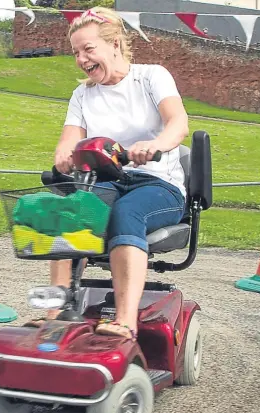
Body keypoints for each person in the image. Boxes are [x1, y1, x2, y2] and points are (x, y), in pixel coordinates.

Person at [28, 7, 189, 341]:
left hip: (159, 184)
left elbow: (178, 123)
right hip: (108, 180)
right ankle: (55, 315)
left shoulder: (150, 77)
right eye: (76, 53)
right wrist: (64, 155)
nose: (82, 59)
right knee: (70, 211)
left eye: (89, 49)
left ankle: (125, 322)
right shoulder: (83, 94)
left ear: (114, 43)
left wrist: (155, 144)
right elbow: (69, 139)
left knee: (126, 212)